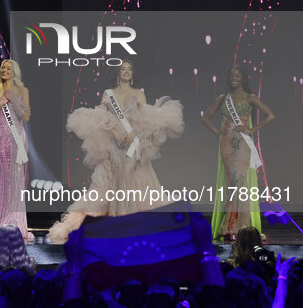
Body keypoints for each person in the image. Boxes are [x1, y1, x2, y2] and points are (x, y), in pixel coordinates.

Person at [48, 60, 184, 240]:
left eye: (129, 69)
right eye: (123, 69)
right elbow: (100, 117)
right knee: (113, 181)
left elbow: (147, 119)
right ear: (117, 72)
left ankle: (129, 223)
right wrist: (113, 130)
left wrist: (134, 132)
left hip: (133, 144)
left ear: (132, 73)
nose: (126, 72)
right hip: (114, 143)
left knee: (130, 179)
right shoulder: (108, 94)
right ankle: (114, 223)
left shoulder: (138, 94)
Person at [201, 65, 275, 241]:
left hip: (242, 144)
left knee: (240, 182)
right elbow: (205, 117)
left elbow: (270, 115)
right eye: (231, 75)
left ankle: (240, 226)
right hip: (227, 144)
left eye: (237, 74)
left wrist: (252, 129)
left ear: (243, 77)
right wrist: (217, 131)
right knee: (231, 182)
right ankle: (232, 225)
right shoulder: (222, 98)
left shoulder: (250, 98)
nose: (233, 77)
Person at [0, 59, 32, 240]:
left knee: (17, 180)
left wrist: (14, 100)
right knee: (4, 180)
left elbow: (26, 116)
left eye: (8, 68)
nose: (4, 70)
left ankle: (18, 222)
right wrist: (1, 102)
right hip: (2, 138)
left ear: (15, 72)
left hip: (17, 138)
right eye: (3, 67)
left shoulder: (23, 91)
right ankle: (3, 223)